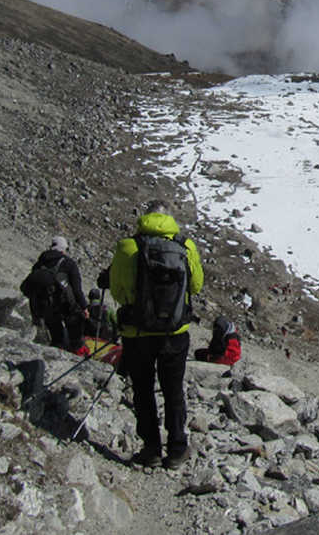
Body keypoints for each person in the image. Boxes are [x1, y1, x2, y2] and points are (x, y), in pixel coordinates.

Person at [108, 200, 203, 469]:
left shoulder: (128, 247)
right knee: (174, 391)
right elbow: (195, 286)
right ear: (170, 218)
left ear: (145, 217)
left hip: (137, 332)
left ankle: (150, 448)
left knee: (143, 389)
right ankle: (176, 449)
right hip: (175, 332)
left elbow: (118, 292)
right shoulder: (186, 246)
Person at [20, 235, 88, 355]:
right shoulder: (68, 263)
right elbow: (77, 290)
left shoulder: (40, 263)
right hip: (65, 305)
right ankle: (79, 353)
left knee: (56, 336)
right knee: (76, 333)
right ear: (63, 249)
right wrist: (84, 307)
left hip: (45, 307)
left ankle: (57, 352)